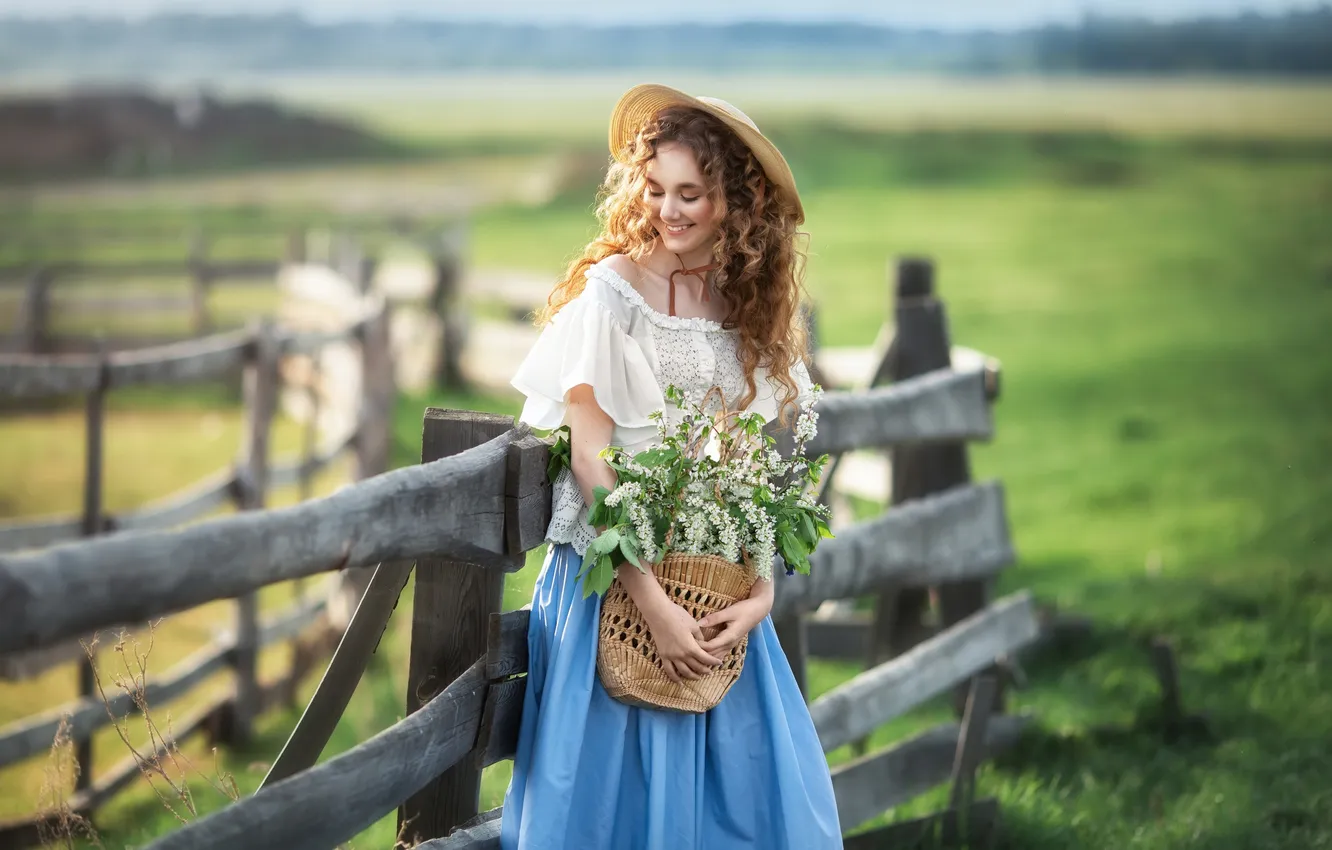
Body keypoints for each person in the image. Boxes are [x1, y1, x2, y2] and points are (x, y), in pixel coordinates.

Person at [502, 83, 843, 850]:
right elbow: (589, 456)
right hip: (616, 589)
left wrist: (759, 593)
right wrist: (649, 598)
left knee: (759, 799)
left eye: (692, 193)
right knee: (606, 809)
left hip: (711, 584)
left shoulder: (740, 305)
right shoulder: (612, 297)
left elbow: (745, 471)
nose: (670, 209)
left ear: (736, 200)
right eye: (655, 190)